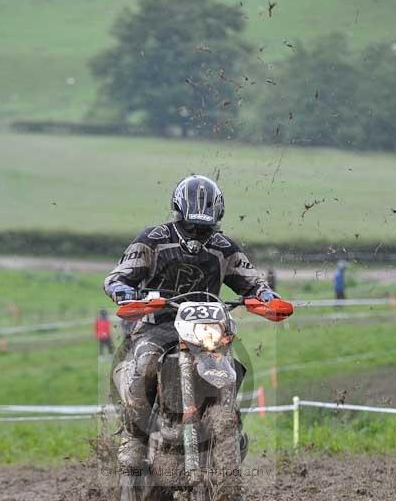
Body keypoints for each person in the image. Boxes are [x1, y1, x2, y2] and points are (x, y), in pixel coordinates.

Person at [104, 174, 280, 467]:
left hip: (206, 328)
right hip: (157, 324)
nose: (197, 234)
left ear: (216, 220)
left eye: (204, 228)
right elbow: (117, 276)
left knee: (233, 368)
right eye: (191, 226)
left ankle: (230, 428)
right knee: (145, 365)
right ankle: (134, 439)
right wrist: (123, 290)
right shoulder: (153, 240)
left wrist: (265, 295)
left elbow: (252, 281)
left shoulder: (224, 248)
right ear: (177, 214)